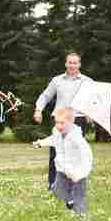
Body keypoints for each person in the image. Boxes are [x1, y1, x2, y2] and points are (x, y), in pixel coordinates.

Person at [33, 52, 93, 189]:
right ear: (66, 64)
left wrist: (91, 115)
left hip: (77, 121)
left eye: (75, 62)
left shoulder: (88, 81)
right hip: (59, 120)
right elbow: (45, 96)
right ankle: (53, 184)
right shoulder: (57, 80)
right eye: (70, 62)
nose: (72, 65)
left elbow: (93, 101)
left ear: (79, 64)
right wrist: (38, 110)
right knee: (56, 152)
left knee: (75, 153)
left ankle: (72, 184)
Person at [33, 109, 93, 217]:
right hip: (62, 170)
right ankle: (70, 201)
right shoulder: (57, 133)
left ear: (71, 122)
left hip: (76, 172)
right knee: (56, 189)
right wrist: (41, 143)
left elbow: (87, 156)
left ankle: (82, 215)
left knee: (79, 195)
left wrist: (80, 174)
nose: (58, 126)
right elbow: (52, 140)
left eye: (62, 123)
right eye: (56, 122)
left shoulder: (76, 138)